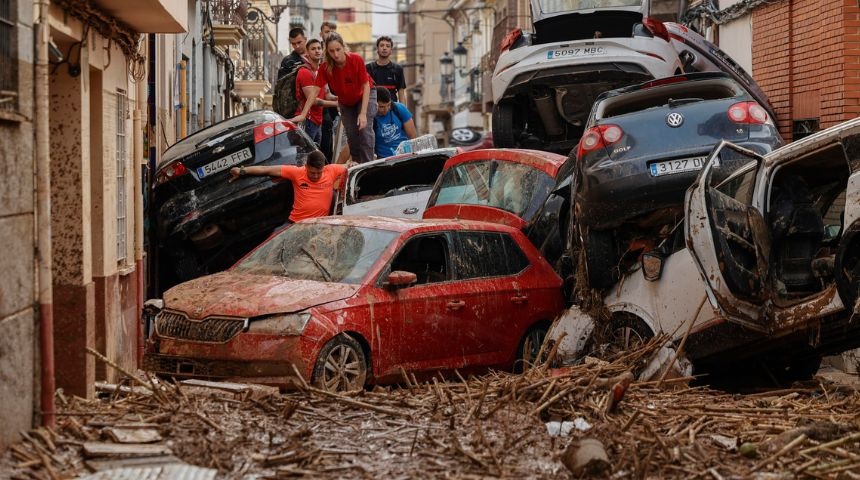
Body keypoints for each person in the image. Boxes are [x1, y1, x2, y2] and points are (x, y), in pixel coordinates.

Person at [294, 32, 377, 164]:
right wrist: (303, 114)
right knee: (352, 135)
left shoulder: (356, 59)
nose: (336, 54)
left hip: (365, 94)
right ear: (327, 52)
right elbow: (315, 91)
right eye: (332, 51)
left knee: (364, 131)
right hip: (346, 101)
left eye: (338, 49)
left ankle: (368, 164)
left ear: (343, 47)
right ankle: (357, 163)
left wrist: (362, 113)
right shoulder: (325, 68)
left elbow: (366, 85)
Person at [228, 151, 346, 224]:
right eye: (312, 172)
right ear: (306, 167)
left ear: (324, 168)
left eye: (319, 173)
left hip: (318, 224)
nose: (315, 176)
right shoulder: (297, 172)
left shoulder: (331, 170)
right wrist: (242, 171)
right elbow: (266, 169)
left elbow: (351, 167)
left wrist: (353, 164)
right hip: (295, 223)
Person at [289, 39, 337, 145]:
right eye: (313, 49)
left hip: (317, 121)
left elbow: (328, 95)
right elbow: (314, 101)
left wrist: (341, 98)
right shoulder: (304, 72)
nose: (317, 51)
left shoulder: (321, 71)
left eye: (319, 48)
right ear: (307, 52)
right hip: (307, 120)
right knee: (305, 156)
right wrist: (337, 104)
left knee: (315, 157)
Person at [373, 87, 417, 158]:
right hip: (384, 160)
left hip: (405, 156)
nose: (386, 109)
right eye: (382, 107)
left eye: (388, 105)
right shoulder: (370, 118)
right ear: (374, 104)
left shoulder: (399, 108)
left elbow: (412, 135)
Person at [366, 36, 406, 103]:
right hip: (373, 108)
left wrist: (403, 112)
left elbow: (401, 93)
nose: (384, 48)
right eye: (382, 46)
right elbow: (364, 91)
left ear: (391, 51)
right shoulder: (368, 68)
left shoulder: (398, 69)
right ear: (377, 49)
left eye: (387, 46)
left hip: (392, 108)